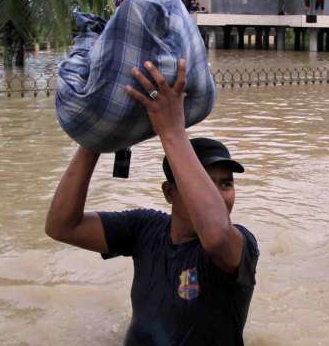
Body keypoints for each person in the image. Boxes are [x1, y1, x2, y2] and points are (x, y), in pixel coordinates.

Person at [46, 60, 259, 345]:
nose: (220, 194)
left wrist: (172, 130)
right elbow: (62, 226)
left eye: (226, 184)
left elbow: (216, 235)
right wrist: (96, 138)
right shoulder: (144, 229)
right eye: (205, 183)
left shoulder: (240, 244)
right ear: (170, 193)